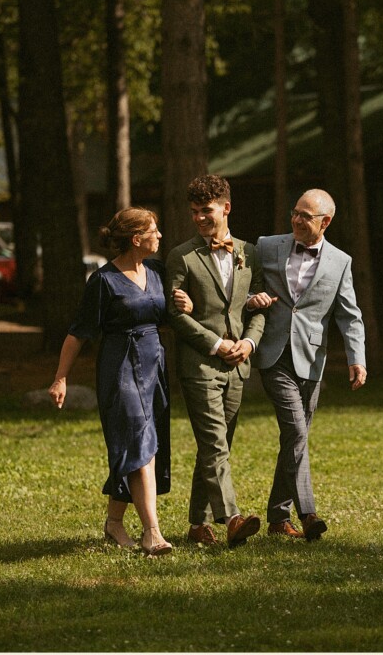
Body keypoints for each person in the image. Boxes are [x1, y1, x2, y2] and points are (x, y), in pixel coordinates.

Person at [48, 208, 175, 557]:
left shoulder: (158, 272)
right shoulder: (103, 281)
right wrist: (61, 377)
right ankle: (153, 533)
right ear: (136, 239)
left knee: (145, 443)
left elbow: (169, 315)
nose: (160, 236)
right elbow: (78, 333)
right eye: (154, 230)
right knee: (139, 443)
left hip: (153, 364)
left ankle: (114, 523)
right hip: (119, 367)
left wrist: (185, 302)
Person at [245, 188, 367, 540]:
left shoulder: (340, 262)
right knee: (296, 432)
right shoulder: (267, 246)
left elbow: (350, 315)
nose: (297, 220)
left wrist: (357, 358)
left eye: (306, 216)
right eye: (295, 213)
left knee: (293, 439)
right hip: (273, 354)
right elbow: (244, 288)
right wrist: (254, 299)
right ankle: (309, 513)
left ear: (325, 222)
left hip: (312, 360)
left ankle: (278, 519)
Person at [165, 175, 265, 548]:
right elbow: (175, 315)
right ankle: (232, 518)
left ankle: (197, 524)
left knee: (218, 444)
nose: (199, 219)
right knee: (214, 442)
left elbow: (258, 304)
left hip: (239, 365)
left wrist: (250, 343)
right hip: (200, 366)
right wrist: (215, 344)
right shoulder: (182, 256)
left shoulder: (250, 253)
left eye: (205, 211)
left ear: (226, 208)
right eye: (193, 212)